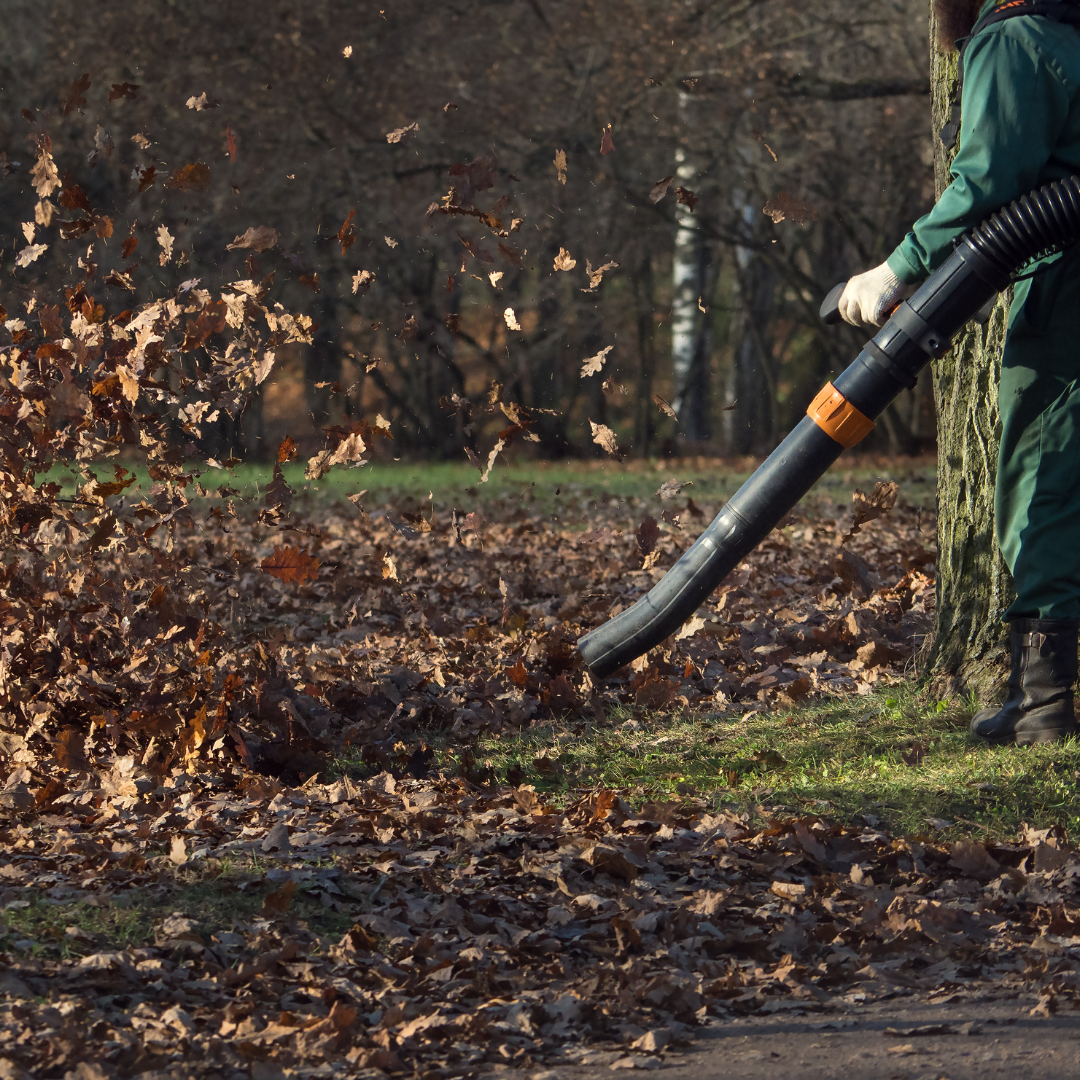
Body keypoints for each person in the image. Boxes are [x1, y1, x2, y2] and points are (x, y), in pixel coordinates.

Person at [839, 0, 1080, 746]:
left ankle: (1043, 707)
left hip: (1069, 295)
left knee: (1042, 481)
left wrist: (900, 268)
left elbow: (987, 183)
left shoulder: (1017, 35)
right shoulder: (1069, 32)